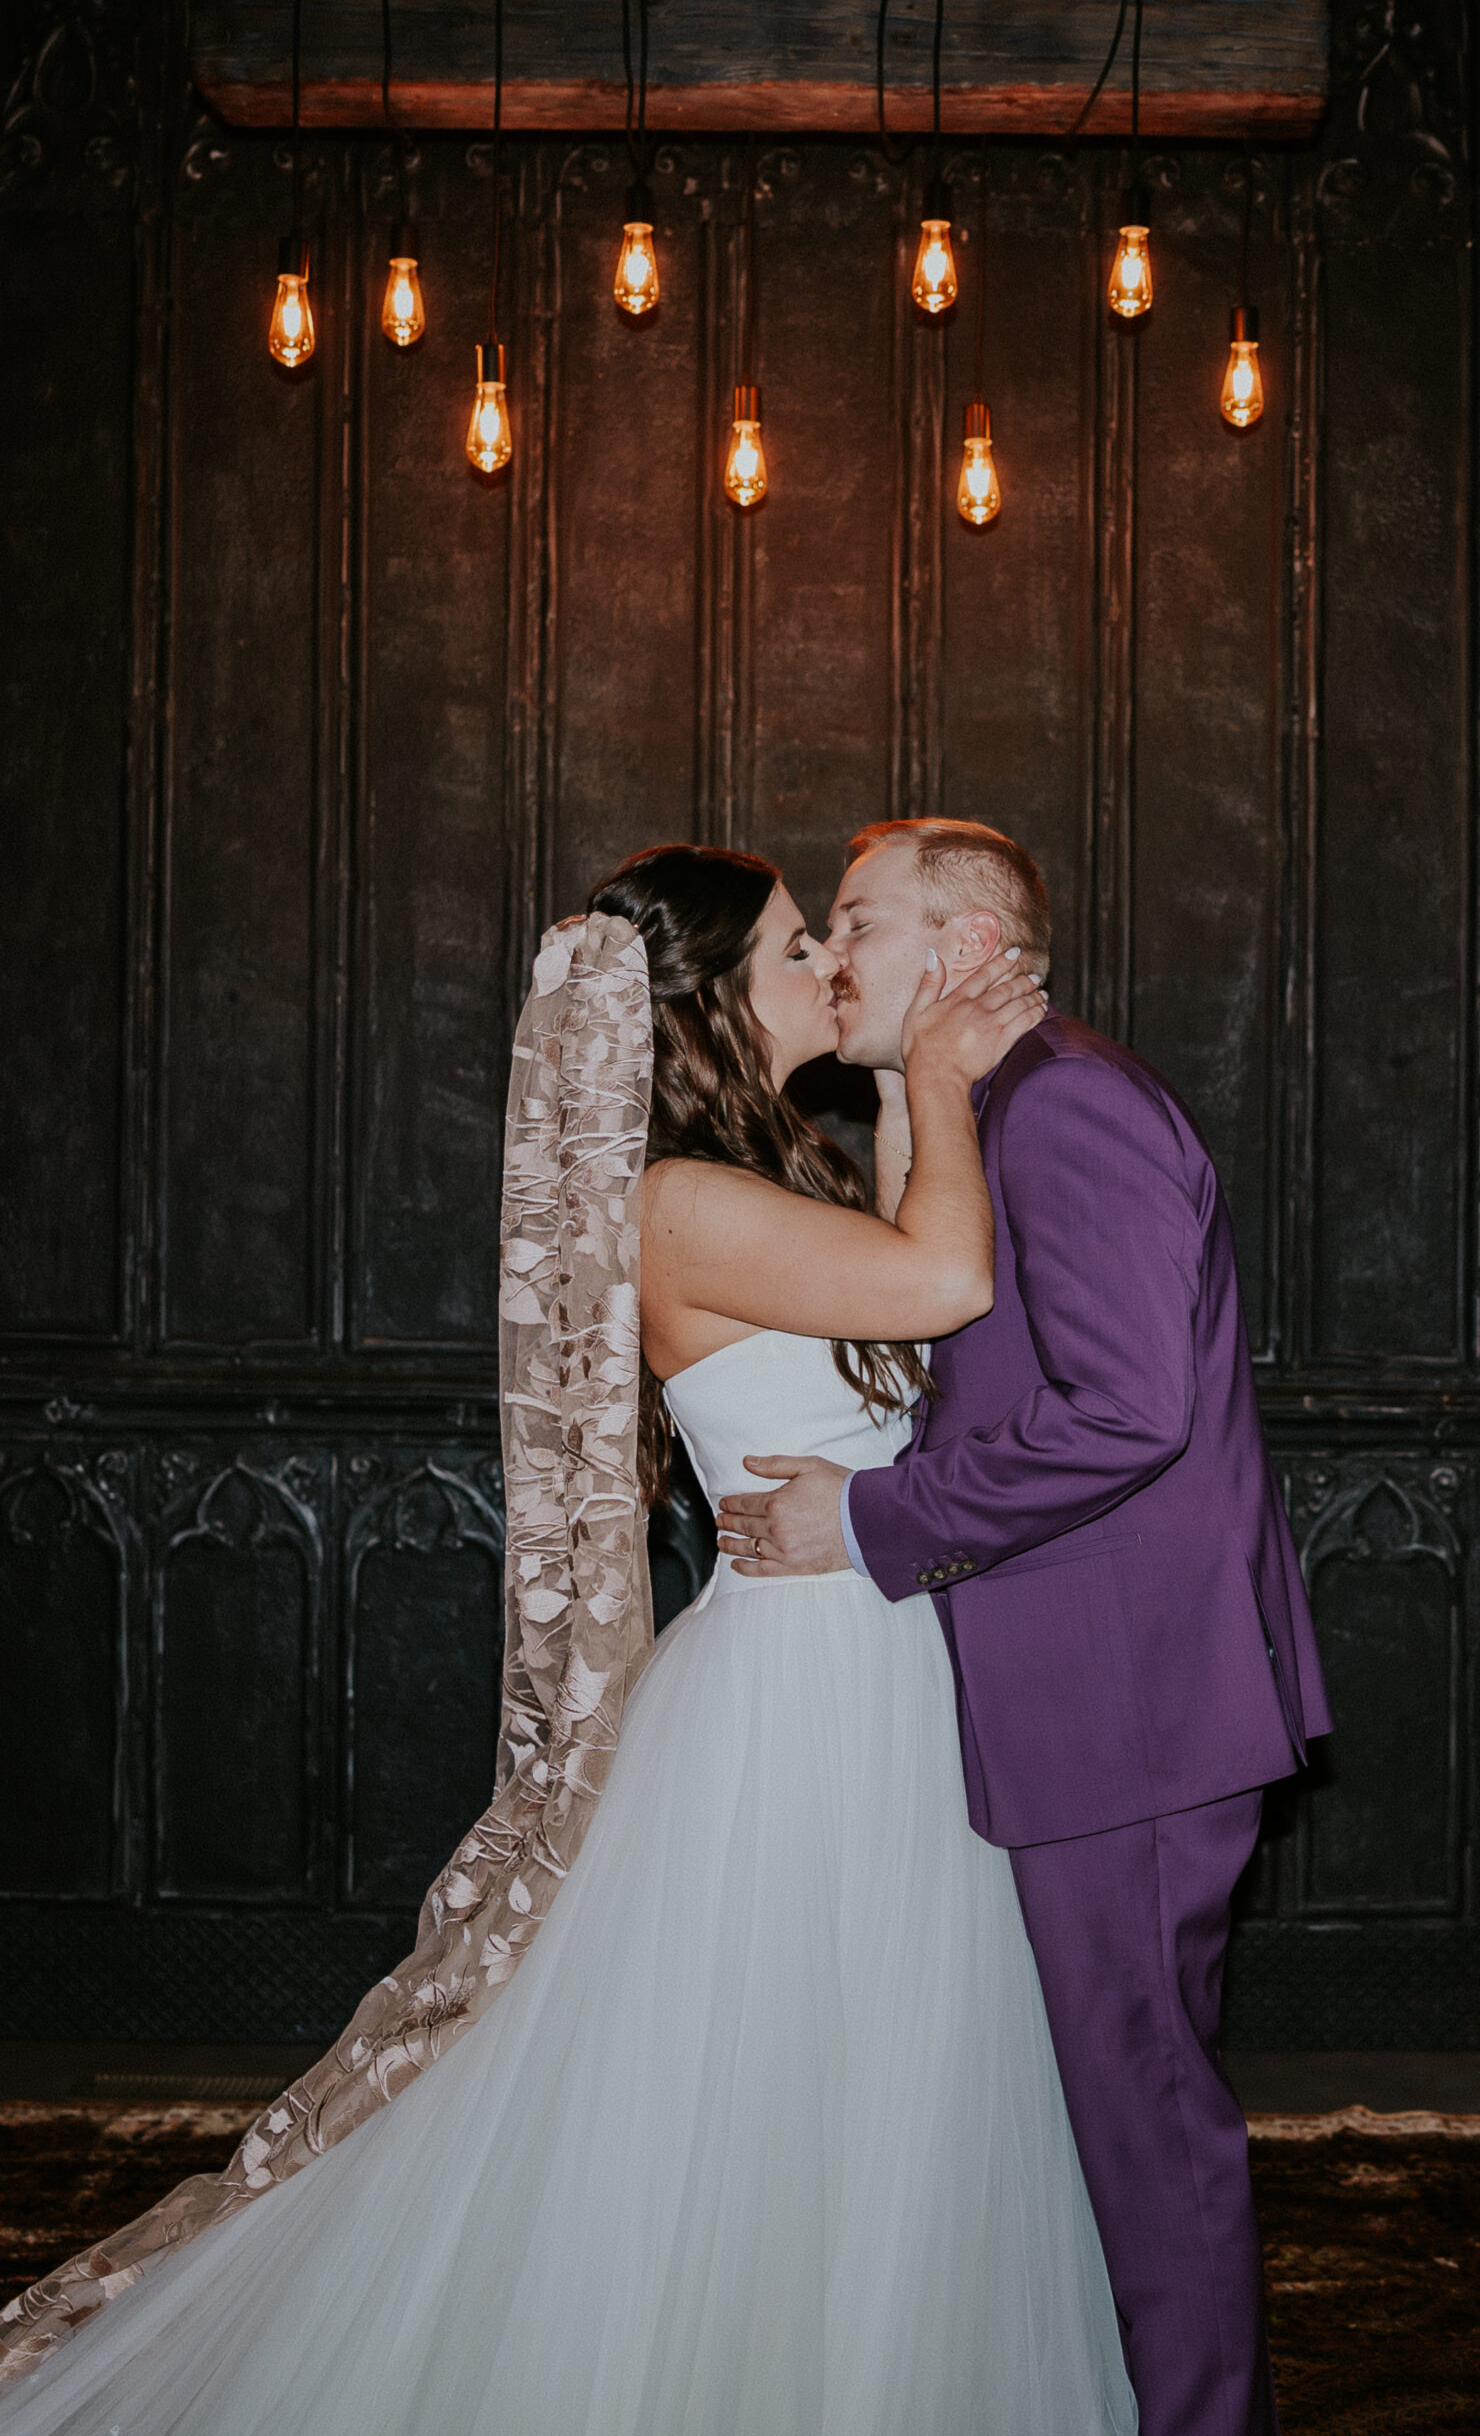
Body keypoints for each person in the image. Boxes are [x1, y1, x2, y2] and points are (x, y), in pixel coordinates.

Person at [0, 845, 1136, 2436]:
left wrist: (897, 1096)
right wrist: (945, 1069)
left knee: (867, 2101)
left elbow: (898, 1299)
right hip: (803, 1698)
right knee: (765, 2094)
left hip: (870, 1666)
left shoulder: (768, 1175)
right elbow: (943, 1278)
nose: (827, 967)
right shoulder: (675, 1200)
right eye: (801, 948)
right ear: (719, 1000)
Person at [718, 818, 1334, 2436]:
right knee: (1101, 2117)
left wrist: (863, 1522)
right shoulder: (983, 1118)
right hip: (1082, 1703)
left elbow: (1127, 1415)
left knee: (1146, 2125)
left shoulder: (1066, 1110)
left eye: (861, 919)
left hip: (1129, 1709)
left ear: (970, 947)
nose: (837, 955)